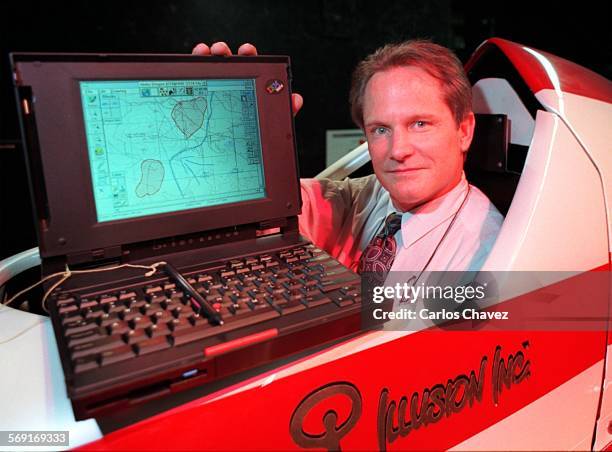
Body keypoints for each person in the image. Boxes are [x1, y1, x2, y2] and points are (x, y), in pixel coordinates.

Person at [193, 40, 503, 276]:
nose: (398, 150)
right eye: (380, 129)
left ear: (464, 130)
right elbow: (269, 211)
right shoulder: (364, 198)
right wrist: (232, 142)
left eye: (420, 124)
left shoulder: (490, 256)